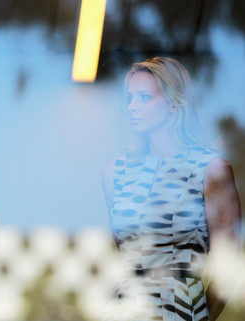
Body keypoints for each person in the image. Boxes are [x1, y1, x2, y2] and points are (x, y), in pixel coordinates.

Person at [101, 57, 241, 321]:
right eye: (129, 98)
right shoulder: (115, 174)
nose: (131, 107)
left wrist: (199, 316)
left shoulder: (211, 171)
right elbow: (124, 260)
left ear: (174, 103)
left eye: (143, 97)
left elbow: (228, 266)